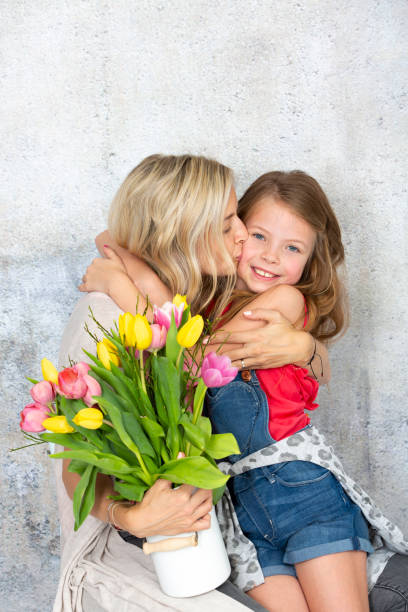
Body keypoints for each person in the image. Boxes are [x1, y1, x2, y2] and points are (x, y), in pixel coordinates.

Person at [80, 163, 408, 612]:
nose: (271, 256)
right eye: (257, 236)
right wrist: (141, 275)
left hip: (301, 490)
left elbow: (195, 361)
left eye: (292, 247)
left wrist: (126, 286)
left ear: (310, 262)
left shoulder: (286, 302)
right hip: (240, 513)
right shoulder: (202, 299)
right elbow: (112, 237)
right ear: (234, 233)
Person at [58, 154, 327, 611]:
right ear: (181, 233)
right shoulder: (106, 319)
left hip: (236, 513)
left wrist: (308, 349)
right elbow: (75, 462)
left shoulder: (208, 293)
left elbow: (187, 346)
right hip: (136, 552)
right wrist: (132, 515)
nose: (242, 236)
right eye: (228, 225)